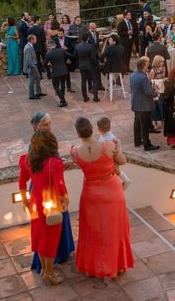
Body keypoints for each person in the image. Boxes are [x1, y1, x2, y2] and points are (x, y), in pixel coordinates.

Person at [70, 117, 133, 278]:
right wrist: (118, 148)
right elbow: (123, 161)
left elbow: (78, 164)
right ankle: (117, 266)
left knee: (93, 232)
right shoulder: (107, 145)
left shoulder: (74, 151)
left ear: (78, 133)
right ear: (92, 128)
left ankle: (94, 266)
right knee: (115, 230)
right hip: (112, 192)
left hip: (90, 195)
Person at [18, 129, 69, 285]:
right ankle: (49, 273)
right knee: (51, 240)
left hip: (35, 202)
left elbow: (21, 183)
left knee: (39, 237)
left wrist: (25, 201)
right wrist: (65, 201)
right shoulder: (54, 163)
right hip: (50, 203)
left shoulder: (27, 160)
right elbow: (60, 185)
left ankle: (44, 272)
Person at [130, 57, 159, 151]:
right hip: (144, 105)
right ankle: (147, 144)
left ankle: (137, 141)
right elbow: (148, 92)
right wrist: (155, 92)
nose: (148, 65)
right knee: (145, 125)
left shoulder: (133, 74)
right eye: (147, 64)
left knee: (137, 123)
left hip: (136, 103)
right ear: (143, 66)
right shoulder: (143, 77)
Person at [97, 117, 131, 190]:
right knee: (113, 170)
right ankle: (120, 181)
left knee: (115, 169)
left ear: (99, 129)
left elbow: (118, 141)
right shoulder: (103, 135)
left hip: (114, 155)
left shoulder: (109, 136)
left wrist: (117, 150)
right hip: (109, 155)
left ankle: (125, 180)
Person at [44, 43, 74, 108]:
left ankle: (63, 101)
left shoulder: (48, 54)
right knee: (63, 85)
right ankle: (62, 99)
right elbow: (71, 55)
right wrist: (68, 60)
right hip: (64, 71)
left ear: (49, 47)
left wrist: (49, 64)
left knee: (56, 87)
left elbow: (44, 64)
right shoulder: (61, 50)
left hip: (55, 72)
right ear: (55, 46)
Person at [75, 33, 100, 102]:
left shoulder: (77, 46)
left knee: (83, 81)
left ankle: (85, 97)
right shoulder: (90, 46)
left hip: (82, 66)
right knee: (95, 80)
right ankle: (95, 97)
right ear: (88, 38)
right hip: (90, 66)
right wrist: (97, 65)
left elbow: (75, 56)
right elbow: (93, 58)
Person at [24, 35, 45, 99]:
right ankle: (31, 95)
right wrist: (33, 66)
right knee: (32, 80)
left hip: (34, 65)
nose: (36, 40)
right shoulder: (28, 48)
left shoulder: (30, 46)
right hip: (32, 66)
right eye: (35, 39)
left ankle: (38, 92)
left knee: (38, 78)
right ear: (31, 40)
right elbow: (28, 60)